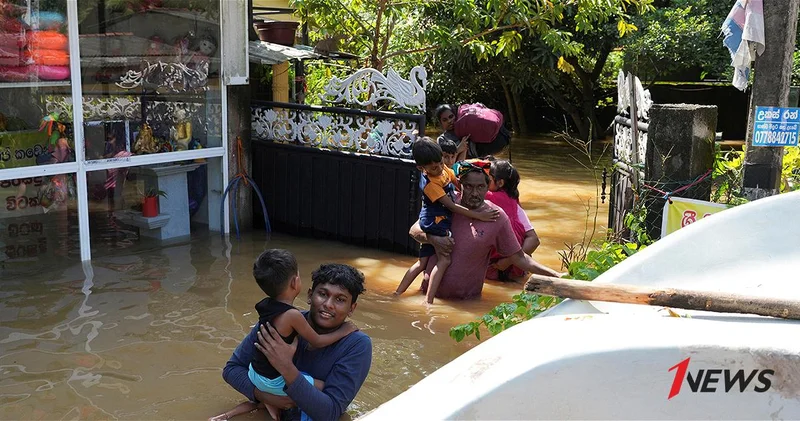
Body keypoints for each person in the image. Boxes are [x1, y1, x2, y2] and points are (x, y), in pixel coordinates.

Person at [212, 250, 358, 421]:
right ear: (309, 295)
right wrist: (267, 397)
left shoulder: (357, 345)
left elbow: (331, 412)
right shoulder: (273, 324)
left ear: (352, 308)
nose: (328, 305)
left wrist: (285, 369)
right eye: (323, 294)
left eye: (340, 299)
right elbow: (231, 370)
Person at [410, 161, 563, 300]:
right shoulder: (446, 204)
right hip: (425, 298)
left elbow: (520, 258)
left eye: (480, 187)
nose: (475, 193)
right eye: (469, 186)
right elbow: (414, 230)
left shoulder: (497, 216)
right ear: (460, 185)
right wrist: (433, 239)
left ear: (488, 187)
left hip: (466, 304)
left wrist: (557, 275)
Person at [395, 139, 499, 304]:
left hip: (431, 218)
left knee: (422, 262)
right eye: (433, 167)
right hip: (435, 221)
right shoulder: (430, 185)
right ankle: (428, 301)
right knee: (445, 260)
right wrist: (479, 216)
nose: (438, 168)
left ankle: (397, 293)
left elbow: (456, 182)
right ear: (421, 168)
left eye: (440, 163)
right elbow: (452, 206)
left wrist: (467, 190)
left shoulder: (443, 168)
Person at [484, 160, 541, 282]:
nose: (485, 182)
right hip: (519, 269)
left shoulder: (488, 197)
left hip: (496, 267)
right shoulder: (514, 201)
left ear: (500, 182)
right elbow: (534, 240)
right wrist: (510, 261)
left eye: (488, 178)